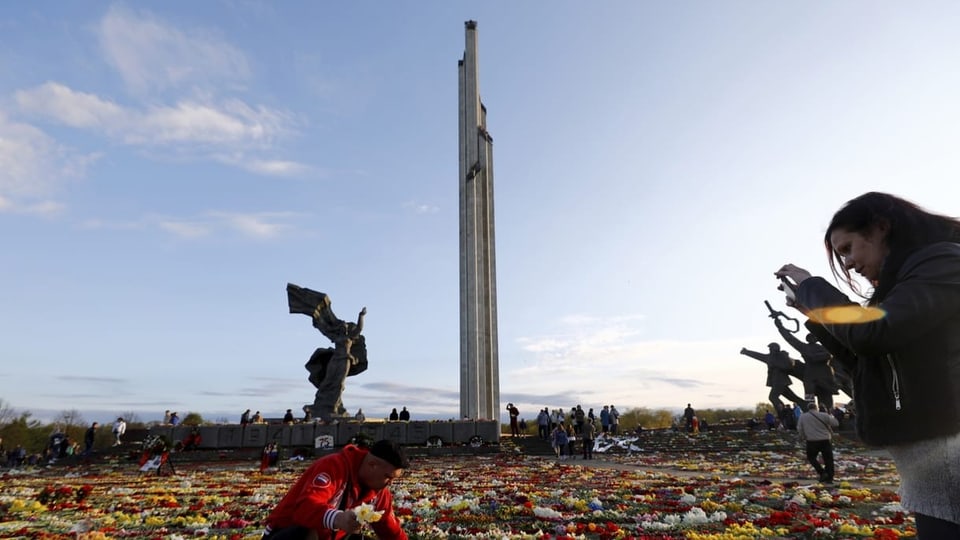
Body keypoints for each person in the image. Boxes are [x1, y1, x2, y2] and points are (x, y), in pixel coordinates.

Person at [776, 192, 960, 536]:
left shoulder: (942, 262)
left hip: (949, 450)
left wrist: (813, 287)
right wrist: (814, 313)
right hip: (931, 460)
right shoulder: (904, 284)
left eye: (847, 248)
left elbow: (873, 333)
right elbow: (865, 358)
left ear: (880, 228)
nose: (847, 263)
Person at [262, 439, 409, 539]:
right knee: (306, 532)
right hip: (288, 533)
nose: (390, 483)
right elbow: (304, 507)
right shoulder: (334, 466)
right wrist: (338, 518)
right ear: (371, 465)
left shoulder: (379, 491)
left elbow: (389, 529)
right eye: (388, 477)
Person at [740, 344, 808, 413]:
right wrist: (746, 352)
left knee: (772, 397)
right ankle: (805, 406)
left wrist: (777, 364)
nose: (769, 350)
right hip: (776, 382)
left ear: (775, 349)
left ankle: (784, 412)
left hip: (780, 381)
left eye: (770, 348)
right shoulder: (769, 357)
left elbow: (789, 366)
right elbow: (758, 356)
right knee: (792, 397)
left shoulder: (782, 356)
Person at [796, 402, 839, 483]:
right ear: (816, 408)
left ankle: (822, 472)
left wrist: (802, 437)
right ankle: (829, 478)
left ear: (808, 408)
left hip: (812, 441)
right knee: (828, 459)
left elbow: (800, 429)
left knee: (811, 458)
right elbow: (836, 423)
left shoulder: (803, 416)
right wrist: (830, 415)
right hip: (825, 440)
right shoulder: (824, 415)